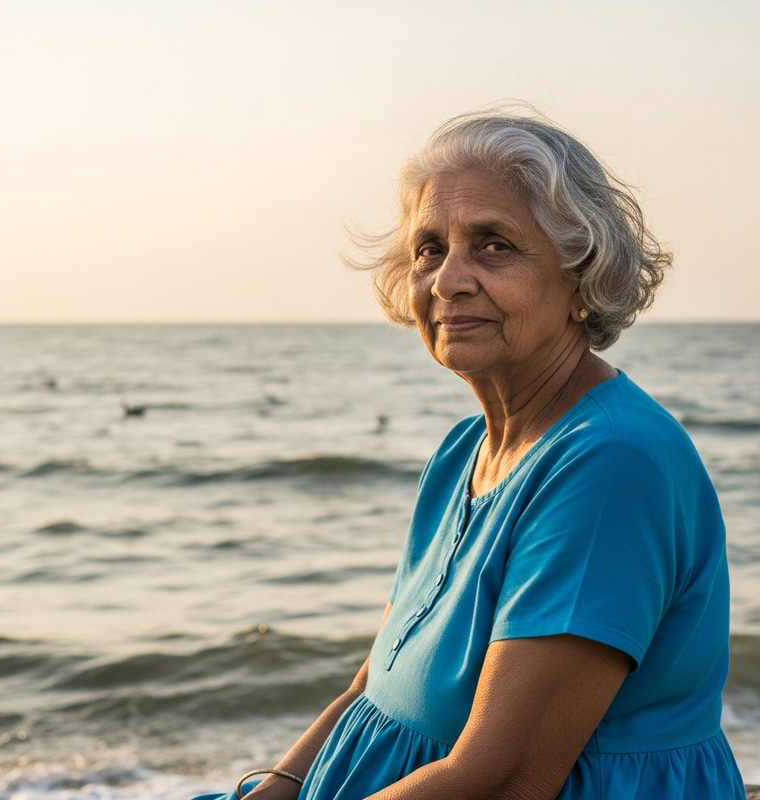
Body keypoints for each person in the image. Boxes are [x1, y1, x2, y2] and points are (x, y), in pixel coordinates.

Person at [193, 106, 746, 799]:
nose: (447, 279)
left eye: (494, 245)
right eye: (429, 249)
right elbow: (375, 684)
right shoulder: (466, 450)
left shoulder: (610, 463)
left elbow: (503, 778)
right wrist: (272, 791)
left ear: (582, 273)